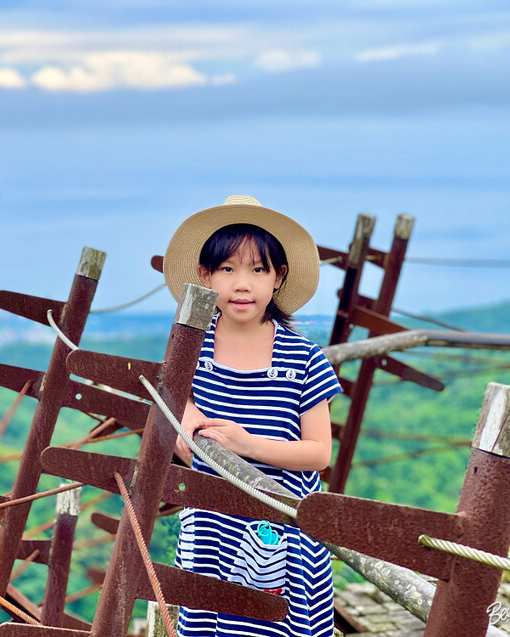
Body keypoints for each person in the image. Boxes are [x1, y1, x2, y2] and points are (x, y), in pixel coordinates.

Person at [162, 195, 342, 637]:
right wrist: (183, 420)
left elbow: (319, 454)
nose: (242, 284)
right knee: (207, 622)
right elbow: (174, 400)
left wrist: (247, 446)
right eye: (227, 269)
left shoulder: (304, 358)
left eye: (257, 270)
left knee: (275, 626)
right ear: (205, 276)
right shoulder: (190, 348)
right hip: (209, 524)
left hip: (278, 528)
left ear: (278, 277)